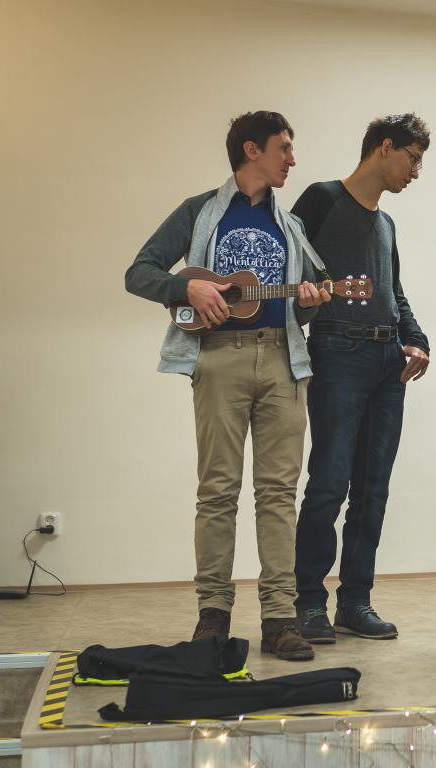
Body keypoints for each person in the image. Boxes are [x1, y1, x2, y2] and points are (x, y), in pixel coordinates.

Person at [124, 111, 330, 660]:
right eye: (283, 148)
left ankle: (280, 618)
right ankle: (212, 615)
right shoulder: (200, 212)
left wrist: (311, 302)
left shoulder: (291, 225)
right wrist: (186, 289)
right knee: (217, 492)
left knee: (278, 493)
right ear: (251, 150)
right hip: (218, 359)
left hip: (283, 361)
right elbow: (139, 272)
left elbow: (303, 305)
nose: (292, 159)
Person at [291, 114, 432, 645]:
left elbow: (395, 291)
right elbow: (289, 272)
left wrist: (415, 339)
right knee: (329, 484)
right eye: (412, 159)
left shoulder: (386, 223)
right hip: (336, 352)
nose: (415, 172)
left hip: (388, 360)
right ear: (385, 147)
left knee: (373, 489)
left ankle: (355, 601)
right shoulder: (321, 198)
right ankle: (309, 603)